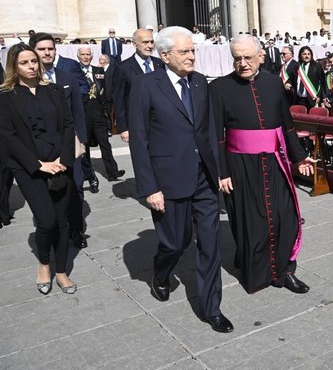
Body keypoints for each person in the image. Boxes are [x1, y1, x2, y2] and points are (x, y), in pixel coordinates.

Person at [128, 26, 232, 333]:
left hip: (204, 179)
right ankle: (161, 273)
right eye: (184, 52)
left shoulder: (200, 82)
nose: (191, 56)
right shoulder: (145, 85)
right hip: (168, 180)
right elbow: (139, 140)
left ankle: (211, 307)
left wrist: (221, 171)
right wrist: (149, 187)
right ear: (164, 55)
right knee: (175, 242)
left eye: (192, 50)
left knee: (210, 244)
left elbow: (210, 132)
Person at [210, 34, 316, 294]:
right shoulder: (220, 88)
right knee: (250, 220)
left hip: (274, 162)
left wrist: (299, 156)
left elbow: (286, 124)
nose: (243, 63)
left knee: (286, 216)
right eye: (237, 58)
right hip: (239, 166)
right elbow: (216, 136)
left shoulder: (273, 83)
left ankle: (287, 271)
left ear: (261, 56)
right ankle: (255, 272)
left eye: (248, 57)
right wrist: (222, 173)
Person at [0, 44, 78, 294]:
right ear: (14, 66)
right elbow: (8, 136)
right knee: (46, 220)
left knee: (62, 221)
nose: (32, 66)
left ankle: (62, 271)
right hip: (29, 168)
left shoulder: (53, 90)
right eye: (24, 62)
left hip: (60, 163)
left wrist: (64, 159)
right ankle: (44, 264)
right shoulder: (6, 96)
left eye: (34, 61)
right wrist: (38, 164)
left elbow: (67, 124)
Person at [30, 32, 89, 249]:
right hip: (42, 148)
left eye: (51, 48)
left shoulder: (67, 77)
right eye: (42, 49)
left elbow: (78, 111)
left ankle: (76, 230)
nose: (47, 52)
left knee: (75, 188)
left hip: (69, 144)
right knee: (47, 192)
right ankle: (51, 230)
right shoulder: (28, 80)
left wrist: (81, 140)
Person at [76, 47, 124, 192]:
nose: (85, 57)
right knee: (85, 148)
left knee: (105, 144)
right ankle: (88, 175)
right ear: (78, 57)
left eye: (88, 54)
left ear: (92, 56)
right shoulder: (75, 72)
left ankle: (112, 172)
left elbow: (106, 90)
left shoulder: (99, 71)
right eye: (83, 55)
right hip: (83, 115)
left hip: (98, 114)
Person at [114, 28, 164, 143]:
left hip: (161, 123)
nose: (150, 46)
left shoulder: (160, 64)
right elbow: (119, 99)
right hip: (136, 123)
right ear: (134, 44)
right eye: (145, 42)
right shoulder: (123, 68)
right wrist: (123, 128)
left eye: (152, 42)